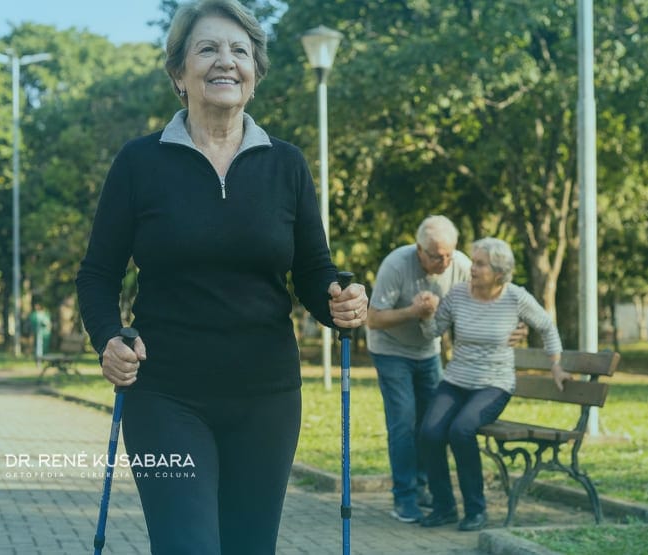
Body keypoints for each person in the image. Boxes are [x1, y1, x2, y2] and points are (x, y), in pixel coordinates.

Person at [75, 1, 369, 553]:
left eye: (239, 51)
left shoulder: (287, 165)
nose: (224, 62)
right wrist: (108, 338)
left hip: (266, 398)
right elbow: (97, 274)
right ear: (178, 74)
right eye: (207, 49)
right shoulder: (140, 163)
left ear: (254, 74)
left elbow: (312, 270)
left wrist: (340, 302)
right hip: (164, 395)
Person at [417, 237, 570, 531]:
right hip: (456, 380)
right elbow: (433, 331)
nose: (472, 268)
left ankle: (476, 510)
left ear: (499, 273)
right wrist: (424, 316)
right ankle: (444, 506)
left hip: (494, 384)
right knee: (430, 432)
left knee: (461, 430)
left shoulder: (516, 298)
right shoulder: (458, 295)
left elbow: (547, 327)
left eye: (479, 263)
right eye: (473, 262)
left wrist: (556, 366)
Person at [365, 215, 471, 522]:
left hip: (428, 352)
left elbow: (469, 309)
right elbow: (373, 319)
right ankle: (404, 497)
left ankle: (423, 486)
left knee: (429, 424)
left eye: (449, 253)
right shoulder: (396, 265)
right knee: (403, 421)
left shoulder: (460, 266)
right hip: (390, 350)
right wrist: (414, 312)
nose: (445, 261)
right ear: (419, 250)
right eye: (437, 256)